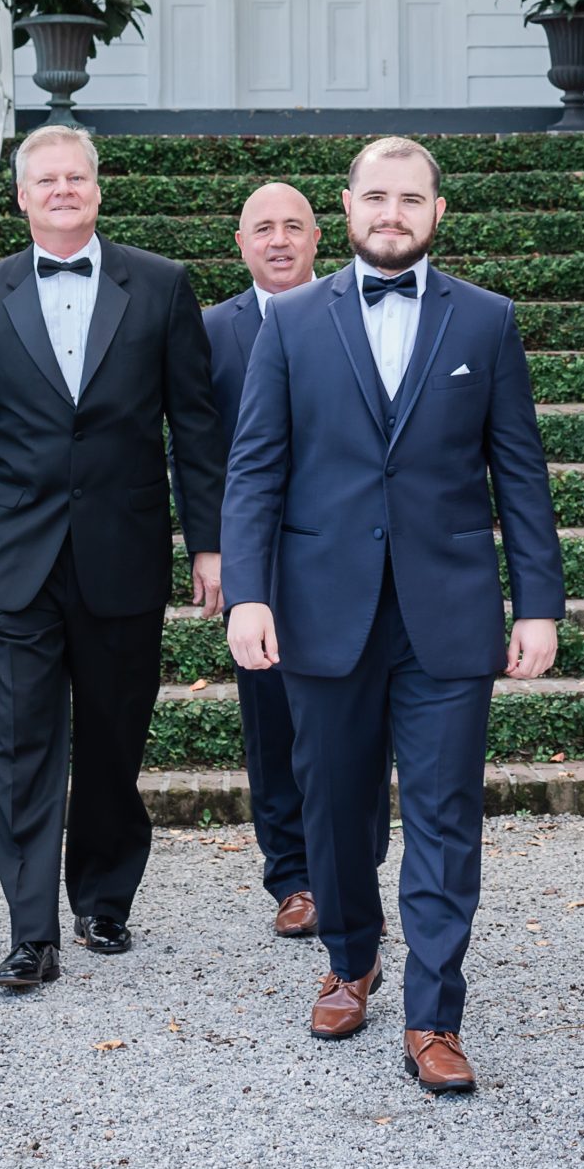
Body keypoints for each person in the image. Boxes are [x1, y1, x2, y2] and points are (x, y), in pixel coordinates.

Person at [224, 136, 564, 1097]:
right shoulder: (290, 321)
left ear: (436, 212)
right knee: (332, 802)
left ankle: (433, 1013)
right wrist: (248, 589)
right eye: (376, 196)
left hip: (446, 613)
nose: (392, 213)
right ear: (349, 204)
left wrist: (539, 603)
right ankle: (351, 954)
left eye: (411, 198)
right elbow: (255, 467)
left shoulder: (487, 322)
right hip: (320, 609)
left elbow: (521, 475)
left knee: (447, 811)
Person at [0, 123, 227, 991]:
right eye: (45, 179)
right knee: (22, 741)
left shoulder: (162, 286)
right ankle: (31, 930)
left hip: (123, 550)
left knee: (111, 736)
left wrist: (208, 542)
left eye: (76, 178)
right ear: (20, 196)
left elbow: (195, 428)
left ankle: (103, 896)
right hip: (18, 557)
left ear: (98, 189)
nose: (62, 190)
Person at [193, 181, 386, 940]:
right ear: (240, 243)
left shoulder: (361, 312)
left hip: (351, 554)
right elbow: (201, 451)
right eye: (262, 228)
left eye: (293, 227)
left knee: (359, 719)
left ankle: (356, 862)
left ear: (318, 237)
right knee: (273, 719)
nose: (278, 239)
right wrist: (216, 550)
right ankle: (295, 876)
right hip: (261, 557)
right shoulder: (210, 331)